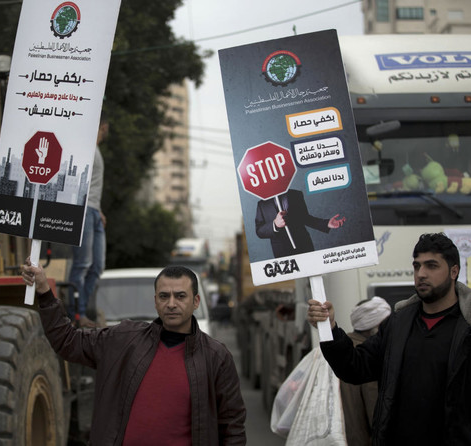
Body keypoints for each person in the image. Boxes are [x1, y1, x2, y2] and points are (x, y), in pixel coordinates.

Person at [21, 261, 247, 445]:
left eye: (180, 296)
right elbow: (67, 341)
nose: (171, 304)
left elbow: (232, 426)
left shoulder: (216, 357)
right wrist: (44, 291)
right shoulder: (123, 339)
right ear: (155, 302)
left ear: (196, 301)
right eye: (164, 296)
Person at [307, 232, 471, 445]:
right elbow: (355, 367)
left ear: (454, 271)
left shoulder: (466, 328)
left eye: (431, 266)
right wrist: (329, 329)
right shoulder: (398, 324)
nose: (421, 274)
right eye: (416, 266)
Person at [68, 113, 109, 327]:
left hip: (94, 211)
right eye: (105, 128)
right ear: (102, 126)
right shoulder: (85, 148)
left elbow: (92, 184)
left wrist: (99, 209)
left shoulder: (96, 150)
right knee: (82, 263)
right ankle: (77, 313)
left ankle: (81, 308)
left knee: (97, 266)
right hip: (83, 211)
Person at [340, 296, 392, 446]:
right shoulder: (367, 358)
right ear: (375, 327)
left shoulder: (343, 352)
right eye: (386, 326)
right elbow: (375, 410)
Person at [255, 188, 346, 258]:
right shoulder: (262, 204)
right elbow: (259, 231)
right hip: (282, 252)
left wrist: (326, 223)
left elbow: (305, 218)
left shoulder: (295, 194)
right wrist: (275, 225)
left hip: (304, 246)